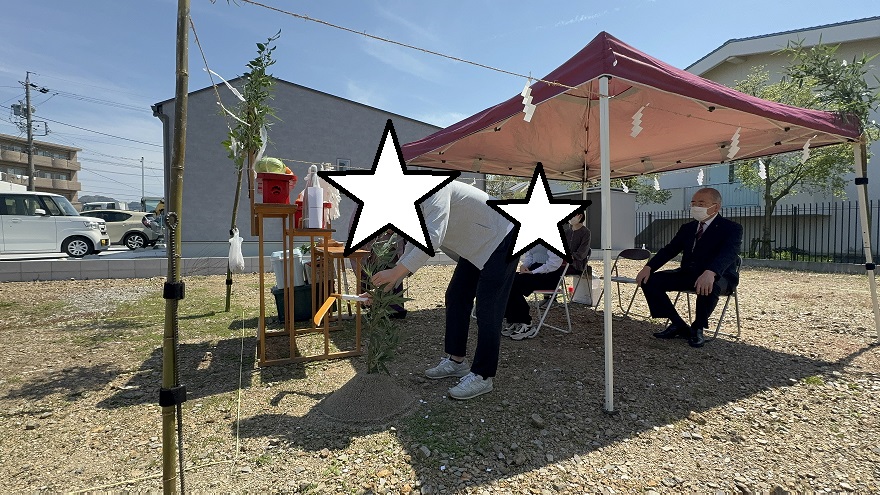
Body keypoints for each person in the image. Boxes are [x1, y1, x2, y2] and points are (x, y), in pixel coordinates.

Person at [370, 181, 517, 400]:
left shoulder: (433, 190)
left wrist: (395, 273)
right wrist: (389, 283)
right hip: (476, 245)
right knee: (456, 296)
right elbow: (415, 243)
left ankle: (483, 375)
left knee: (488, 307)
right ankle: (457, 361)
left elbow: (432, 236)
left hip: (502, 237)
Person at [634, 187, 742, 348]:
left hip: (720, 276)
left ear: (716, 207)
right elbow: (670, 250)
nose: (696, 207)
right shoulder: (688, 228)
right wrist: (649, 267)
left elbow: (729, 253)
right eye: (693, 203)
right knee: (650, 281)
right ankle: (678, 324)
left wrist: (711, 272)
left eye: (701, 203)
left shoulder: (731, 228)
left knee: (709, 285)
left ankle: (697, 328)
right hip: (689, 273)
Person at [502, 245, 565, 340]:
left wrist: (533, 272)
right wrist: (524, 266)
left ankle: (525, 322)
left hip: (548, 275)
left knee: (513, 282)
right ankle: (515, 319)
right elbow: (530, 256)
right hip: (535, 271)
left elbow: (554, 263)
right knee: (507, 280)